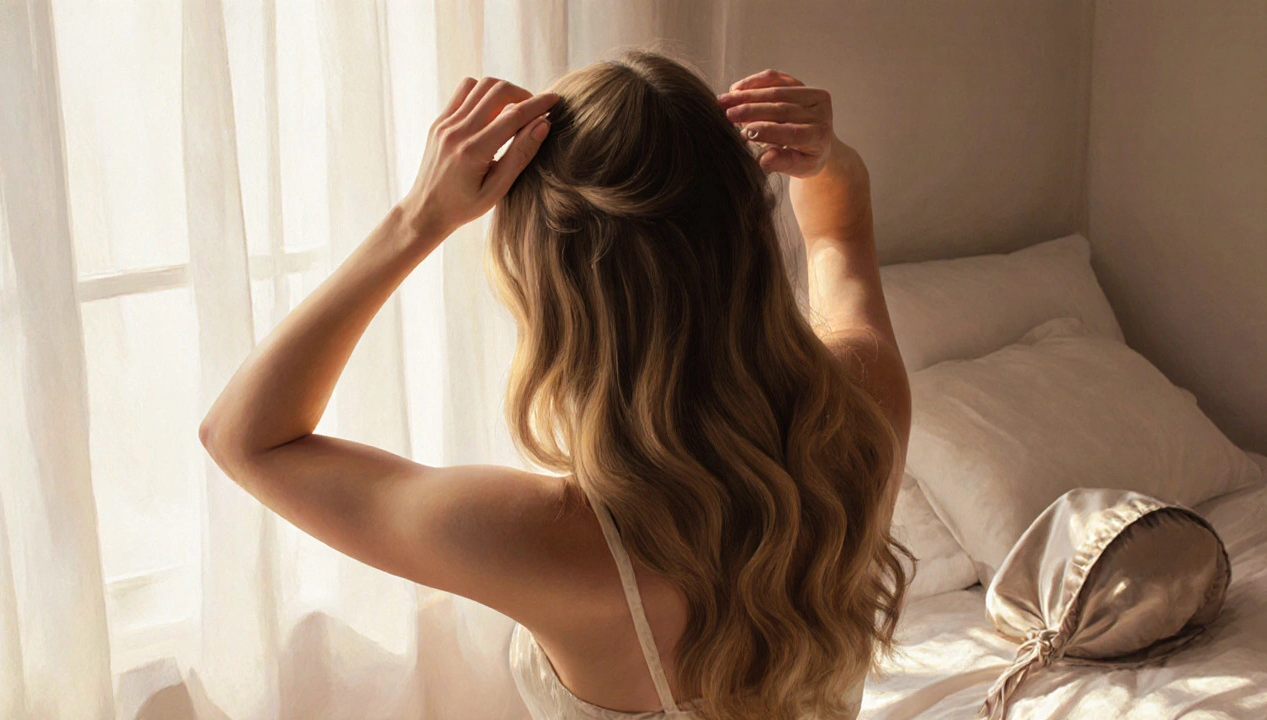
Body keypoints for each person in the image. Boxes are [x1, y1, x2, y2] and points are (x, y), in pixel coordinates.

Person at [199, 48, 912, 720]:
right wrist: (832, 161)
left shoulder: (544, 540)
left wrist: (419, 216)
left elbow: (244, 437)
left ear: (553, 288)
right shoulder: (863, 418)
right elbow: (840, 239)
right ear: (750, 232)